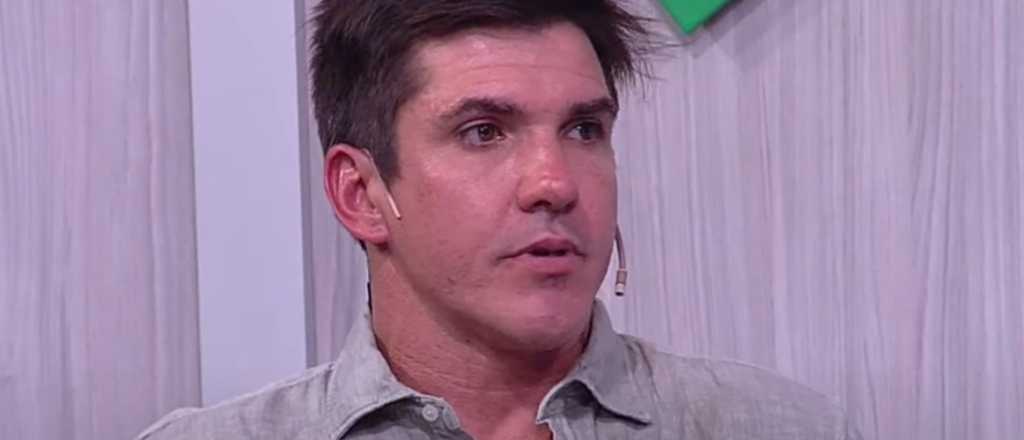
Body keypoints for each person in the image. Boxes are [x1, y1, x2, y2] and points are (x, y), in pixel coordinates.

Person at [139, 1, 861, 439]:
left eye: (584, 130)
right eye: (483, 132)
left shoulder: (786, 427)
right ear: (360, 193)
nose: (555, 183)